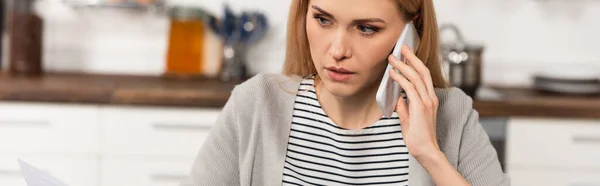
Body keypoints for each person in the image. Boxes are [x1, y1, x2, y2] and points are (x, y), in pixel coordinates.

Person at [182, 0, 509, 185]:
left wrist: (430, 155)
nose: (337, 50)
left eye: (367, 28)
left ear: (412, 30)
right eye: (323, 19)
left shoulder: (452, 116)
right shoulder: (254, 105)